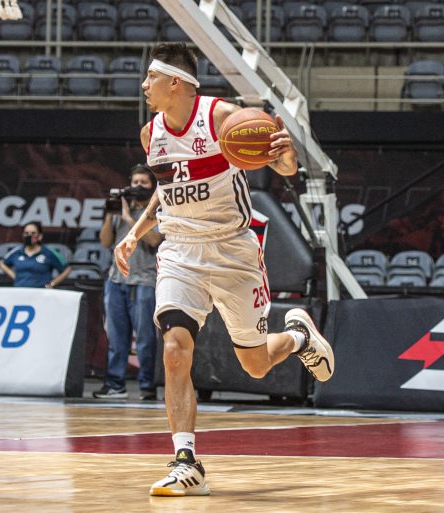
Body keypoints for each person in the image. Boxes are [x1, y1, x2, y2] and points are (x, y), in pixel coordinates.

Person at [114, 42, 335, 497]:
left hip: (233, 251)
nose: (144, 86)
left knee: (255, 365)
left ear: (176, 82)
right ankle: (186, 462)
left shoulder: (223, 119)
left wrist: (286, 155)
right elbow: (166, 188)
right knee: (174, 349)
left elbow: (282, 165)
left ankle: (298, 338)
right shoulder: (150, 134)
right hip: (180, 252)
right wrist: (135, 232)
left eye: (151, 78)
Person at [93, 164, 162, 401]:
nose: (138, 187)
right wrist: (110, 215)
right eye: (135, 182)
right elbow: (105, 242)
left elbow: (154, 240)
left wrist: (129, 219)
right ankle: (115, 384)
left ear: (152, 186)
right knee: (116, 337)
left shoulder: (157, 211)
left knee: (145, 338)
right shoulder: (123, 208)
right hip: (116, 279)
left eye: (143, 182)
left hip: (144, 280)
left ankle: (147, 386)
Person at [0, 222, 72, 288]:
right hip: (20, 291)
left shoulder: (49, 252)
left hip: (41, 293)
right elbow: (2, 263)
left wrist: (52, 284)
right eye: (26, 233)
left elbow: (67, 269)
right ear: (23, 235)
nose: (29, 236)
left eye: (33, 233)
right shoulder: (17, 251)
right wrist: (14, 275)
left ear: (40, 236)